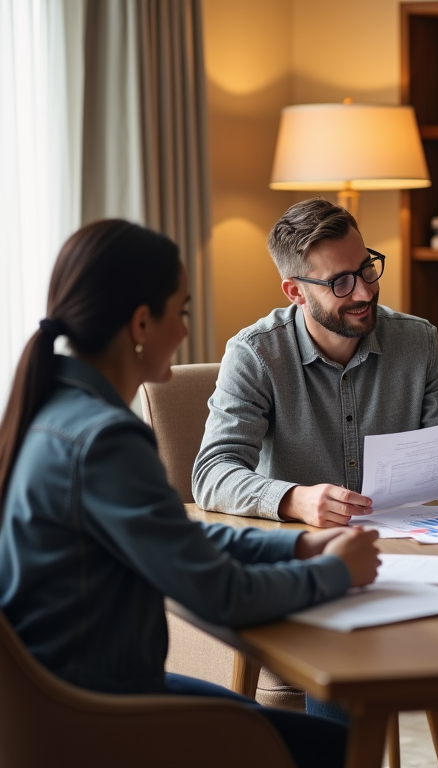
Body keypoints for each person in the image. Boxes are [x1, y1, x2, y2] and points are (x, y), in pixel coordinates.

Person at [0, 220, 382, 768]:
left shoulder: (51, 411)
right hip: (94, 715)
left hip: (54, 696)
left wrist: (295, 549)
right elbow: (221, 595)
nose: (184, 331)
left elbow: (174, 538)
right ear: (139, 322)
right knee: (337, 751)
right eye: (180, 311)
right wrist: (336, 574)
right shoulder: (106, 440)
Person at [191, 199, 438, 768]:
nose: (364, 291)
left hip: (417, 546)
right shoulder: (254, 354)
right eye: (341, 282)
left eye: (367, 268)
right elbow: (212, 473)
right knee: (344, 633)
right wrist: (297, 499)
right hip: (314, 561)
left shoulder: (418, 341)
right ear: (295, 292)